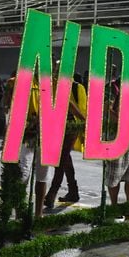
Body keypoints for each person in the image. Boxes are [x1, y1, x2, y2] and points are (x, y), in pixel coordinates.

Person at [44, 62, 87, 207]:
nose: (56, 72)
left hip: (71, 127)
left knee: (61, 159)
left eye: (58, 69)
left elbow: (76, 107)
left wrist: (84, 122)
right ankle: (73, 191)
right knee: (65, 158)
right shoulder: (53, 85)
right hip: (57, 126)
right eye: (55, 69)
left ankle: (52, 192)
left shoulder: (76, 87)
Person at [105, 63, 129, 214]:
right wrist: (125, 121)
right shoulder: (113, 87)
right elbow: (107, 110)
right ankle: (114, 208)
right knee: (114, 176)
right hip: (116, 138)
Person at [18, 74, 50, 218]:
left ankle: (38, 214)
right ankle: (20, 213)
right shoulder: (23, 82)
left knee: (42, 176)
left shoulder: (54, 84)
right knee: (23, 174)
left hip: (46, 135)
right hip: (28, 135)